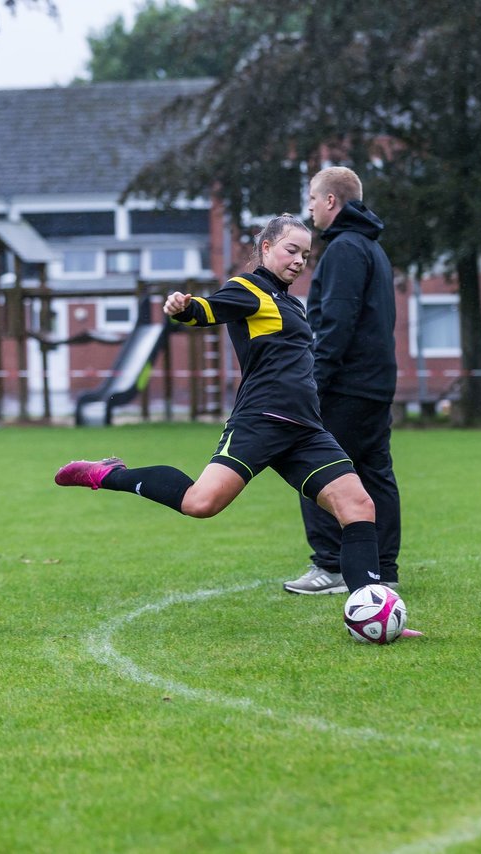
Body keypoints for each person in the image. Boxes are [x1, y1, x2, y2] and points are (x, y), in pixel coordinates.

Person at [54, 214, 387, 594]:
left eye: (306, 255)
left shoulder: (293, 305)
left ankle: (370, 608)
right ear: (266, 248)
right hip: (260, 421)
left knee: (359, 506)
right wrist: (184, 308)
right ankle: (107, 474)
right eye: (291, 250)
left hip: (306, 429)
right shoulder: (248, 288)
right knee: (201, 503)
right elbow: (208, 310)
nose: (299, 260)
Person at [283, 167, 401, 596]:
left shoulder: (344, 250)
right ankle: (383, 569)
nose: (310, 206)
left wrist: (313, 383)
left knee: (311, 465)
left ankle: (330, 566)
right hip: (375, 383)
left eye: (313, 198)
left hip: (345, 385)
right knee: (375, 473)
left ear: (331, 201)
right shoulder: (372, 248)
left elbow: (336, 325)